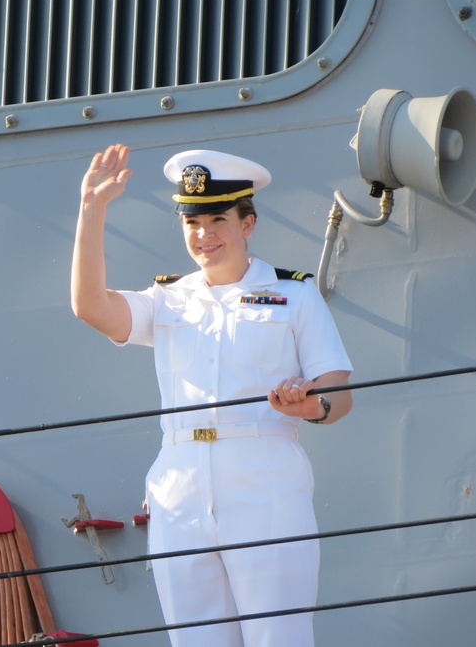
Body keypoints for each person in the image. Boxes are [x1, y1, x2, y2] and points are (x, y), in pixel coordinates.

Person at [71, 144, 353, 646]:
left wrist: (310, 406)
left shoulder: (295, 295)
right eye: (192, 223)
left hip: (264, 482)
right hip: (179, 488)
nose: (203, 236)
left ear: (248, 224)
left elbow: (338, 392)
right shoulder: (167, 298)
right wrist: (92, 210)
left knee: (278, 638)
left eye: (217, 220)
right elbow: (91, 307)